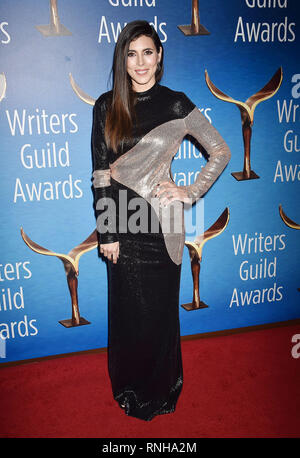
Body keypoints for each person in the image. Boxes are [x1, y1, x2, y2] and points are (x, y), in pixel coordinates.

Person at [91, 20, 231, 422]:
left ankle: (163, 388)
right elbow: (101, 172)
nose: (140, 62)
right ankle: (129, 386)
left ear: (160, 55)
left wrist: (189, 192)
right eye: (131, 54)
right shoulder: (105, 105)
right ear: (123, 59)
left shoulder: (176, 103)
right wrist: (108, 231)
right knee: (128, 313)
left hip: (164, 223)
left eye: (147, 52)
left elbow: (220, 151)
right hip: (123, 224)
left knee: (159, 313)